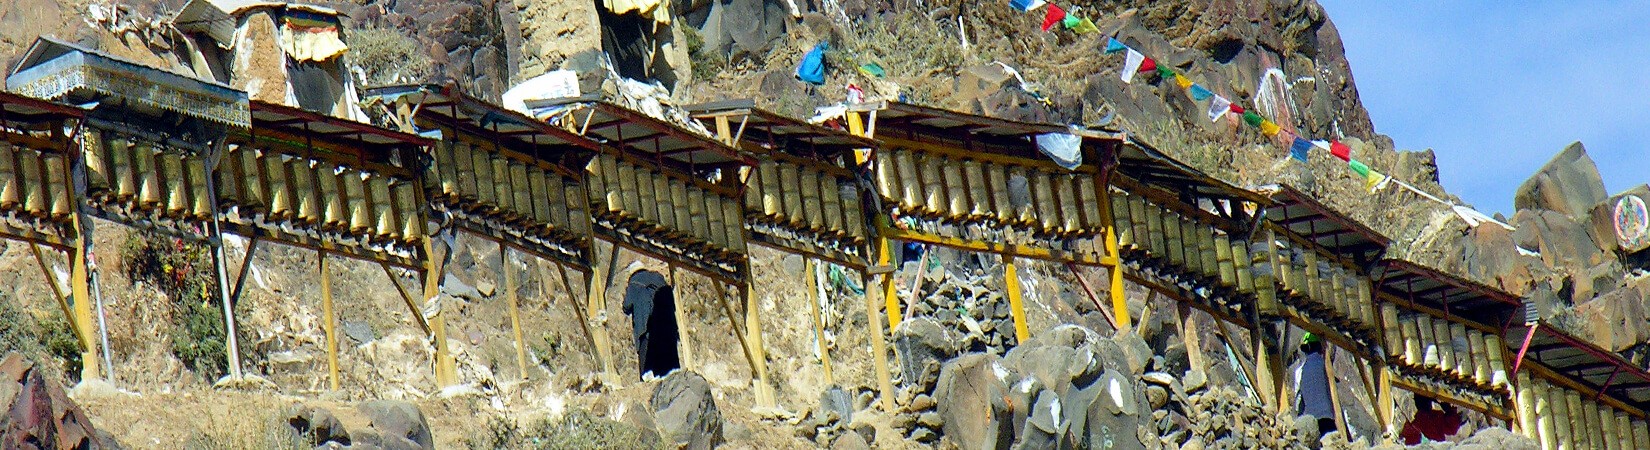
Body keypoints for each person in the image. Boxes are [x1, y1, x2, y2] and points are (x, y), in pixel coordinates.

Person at [622, 270, 679, 378]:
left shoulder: (634, 282)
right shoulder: (660, 280)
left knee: (648, 376)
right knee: (670, 373)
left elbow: (626, 307)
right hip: (668, 330)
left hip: (646, 330)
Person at [1294, 332, 1336, 437]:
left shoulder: (1300, 371)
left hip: (1311, 420)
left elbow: (1299, 398)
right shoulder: (1324, 366)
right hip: (1327, 417)